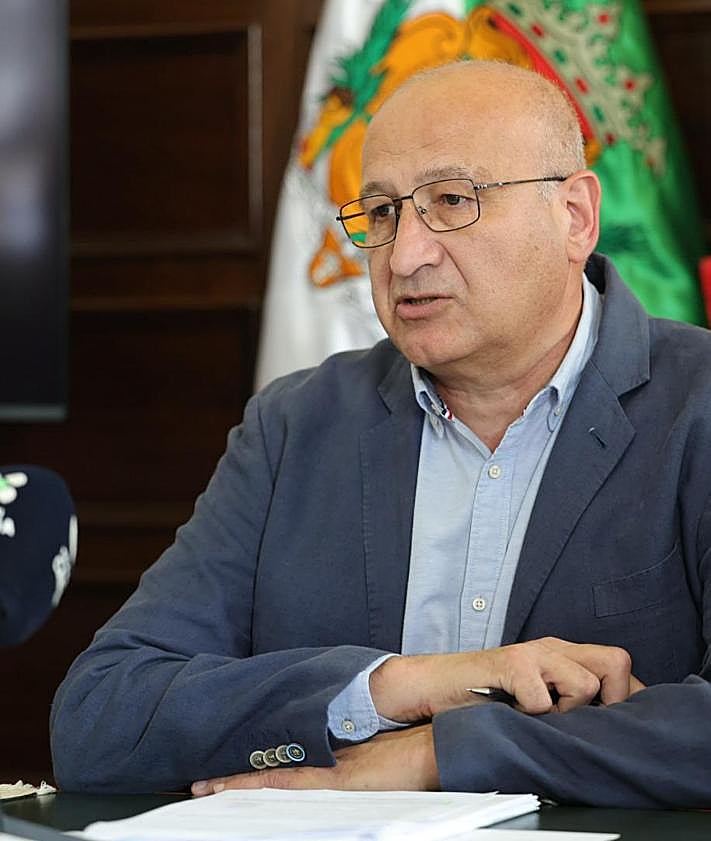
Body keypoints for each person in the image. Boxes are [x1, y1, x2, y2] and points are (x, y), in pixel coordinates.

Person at [50, 60, 711, 807]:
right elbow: (98, 718)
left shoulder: (697, 403)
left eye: (453, 200)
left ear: (574, 216)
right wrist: (395, 687)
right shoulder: (296, 425)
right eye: (383, 213)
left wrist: (438, 752)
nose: (405, 256)